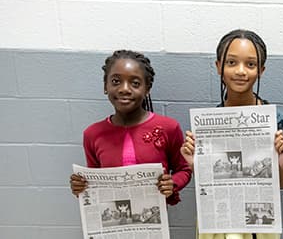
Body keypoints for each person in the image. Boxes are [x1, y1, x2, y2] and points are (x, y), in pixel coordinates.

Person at [181, 29, 283, 239]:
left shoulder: (277, 120)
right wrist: (193, 163)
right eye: (231, 62)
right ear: (218, 67)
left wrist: (281, 162)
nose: (241, 71)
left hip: (258, 224)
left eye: (250, 64)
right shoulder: (207, 123)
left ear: (261, 70)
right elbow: (208, 182)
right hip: (218, 221)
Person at [69, 50, 192, 205]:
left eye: (135, 83)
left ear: (147, 89)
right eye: (115, 81)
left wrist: (172, 183)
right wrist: (81, 186)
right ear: (105, 86)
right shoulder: (92, 134)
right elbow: (93, 183)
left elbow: (184, 170)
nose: (124, 89)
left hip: (154, 223)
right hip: (113, 224)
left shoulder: (168, 128)